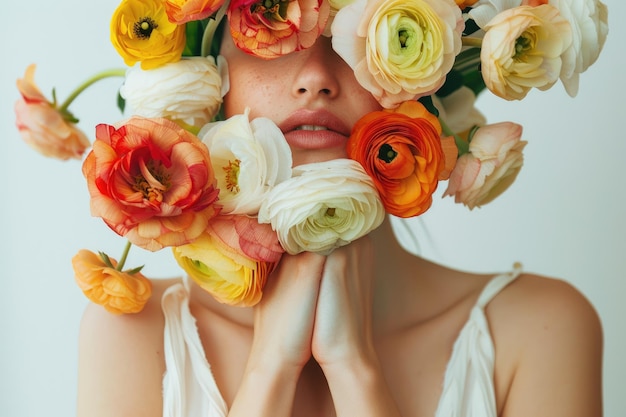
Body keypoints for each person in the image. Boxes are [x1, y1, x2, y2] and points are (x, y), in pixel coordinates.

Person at [73, 7, 604, 417]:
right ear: (210, 78)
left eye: (356, 35)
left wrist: (356, 371)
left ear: (428, 73)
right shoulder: (134, 333)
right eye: (271, 37)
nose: (316, 78)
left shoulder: (538, 329)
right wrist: (270, 372)